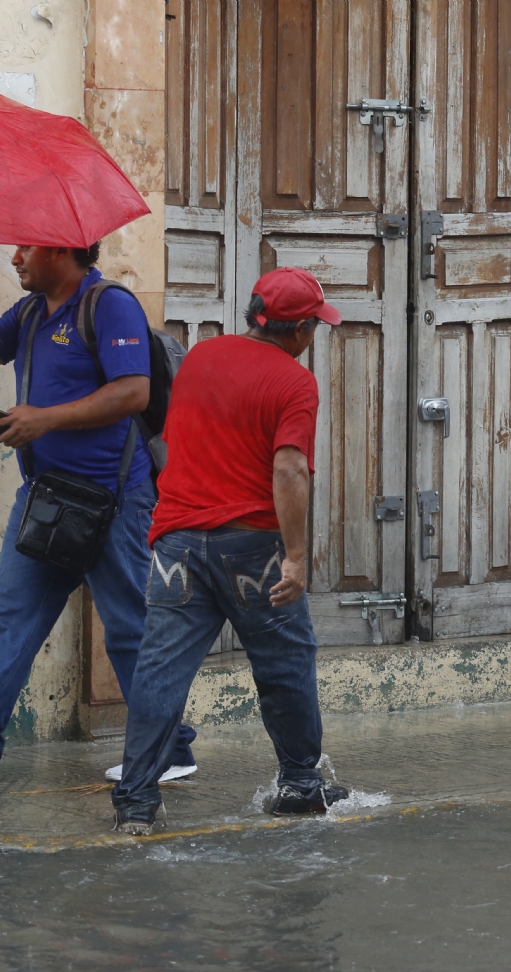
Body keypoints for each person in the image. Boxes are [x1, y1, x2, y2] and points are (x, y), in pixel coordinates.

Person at [0, 245, 197, 781]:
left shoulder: (110, 306)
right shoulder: (32, 310)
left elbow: (133, 392)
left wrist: (45, 420)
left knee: (130, 626)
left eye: (26, 247)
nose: (15, 257)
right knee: (13, 614)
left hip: (113, 501)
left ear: (61, 249)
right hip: (47, 497)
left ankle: (169, 750)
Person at [111, 267, 350, 832]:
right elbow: (289, 467)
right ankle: (300, 783)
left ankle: (137, 804)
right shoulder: (294, 383)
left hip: (175, 543)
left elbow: (173, 436)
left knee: (159, 671)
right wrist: (294, 557)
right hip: (252, 548)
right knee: (285, 663)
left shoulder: (202, 357)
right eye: (314, 325)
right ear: (300, 331)